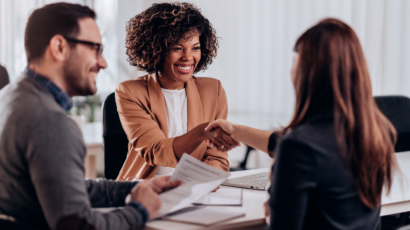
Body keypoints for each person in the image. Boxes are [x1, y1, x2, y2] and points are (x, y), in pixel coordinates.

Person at [0, 3, 180, 230]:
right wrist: (139, 210)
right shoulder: (49, 121)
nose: (103, 63)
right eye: (95, 49)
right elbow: (79, 225)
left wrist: (135, 188)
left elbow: (64, 187)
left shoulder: (9, 97)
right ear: (59, 47)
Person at [205, 18, 397, 229]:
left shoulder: (299, 147)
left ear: (309, 74)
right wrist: (236, 131)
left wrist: (275, 206)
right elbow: (294, 146)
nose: (291, 70)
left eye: (295, 62)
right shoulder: (374, 133)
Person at [116, 2, 239, 180]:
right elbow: (156, 151)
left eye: (195, 48)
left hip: (194, 190)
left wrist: (206, 181)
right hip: (145, 189)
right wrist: (202, 132)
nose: (188, 57)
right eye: (177, 48)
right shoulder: (130, 91)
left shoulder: (214, 90)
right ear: (156, 49)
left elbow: (217, 157)